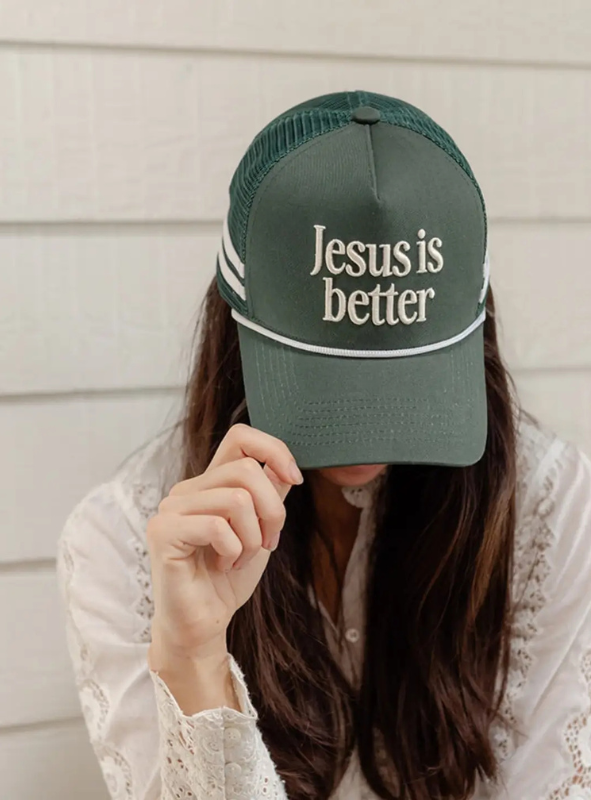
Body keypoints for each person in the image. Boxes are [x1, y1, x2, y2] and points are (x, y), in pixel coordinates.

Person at [56, 90, 591, 800]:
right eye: (326, 377)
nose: (366, 429)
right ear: (235, 324)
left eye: (404, 378)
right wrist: (194, 661)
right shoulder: (120, 540)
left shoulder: (552, 508)